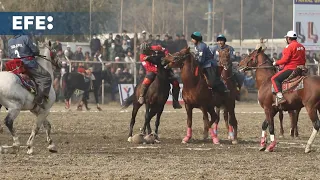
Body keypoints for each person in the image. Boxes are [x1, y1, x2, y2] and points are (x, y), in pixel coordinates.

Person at [8, 33, 52, 109]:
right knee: (46, 77)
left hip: (15, 65)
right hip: (28, 63)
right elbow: (35, 51)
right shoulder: (25, 38)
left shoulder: (10, 41)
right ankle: (39, 99)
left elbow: (9, 54)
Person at [138, 42, 182, 109]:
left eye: (145, 51)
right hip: (152, 71)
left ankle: (175, 101)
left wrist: (167, 56)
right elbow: (148, 67)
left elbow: (165, 50)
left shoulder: (156, 48)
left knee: (175, 83)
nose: (144, 52)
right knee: (146, 81)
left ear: (148, 48)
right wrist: (158, 70)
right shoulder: (142, 56)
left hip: (164, 67)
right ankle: (141, 96)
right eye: (143, 51)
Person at [271, 30, 306, 105]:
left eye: (287, 38)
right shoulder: (301, 46)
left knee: (274, 78)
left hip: (290, 69)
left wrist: (276, 62)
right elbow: (304, 59)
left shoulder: (289, 46)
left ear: (289, 38)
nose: (286, 40)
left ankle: (280, 97)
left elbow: (285, 59)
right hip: (300, 69)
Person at [211, 34, 244, 100]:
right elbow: (211, 57)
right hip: (217, 66)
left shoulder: (230, 48)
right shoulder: (214, 48)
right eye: (219, 41)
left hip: (228, 66)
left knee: (239, 74)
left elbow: (233, 57)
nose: (220, 42)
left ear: (224, 41)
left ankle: (237, 90)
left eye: (221, 41)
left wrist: (226, 60)